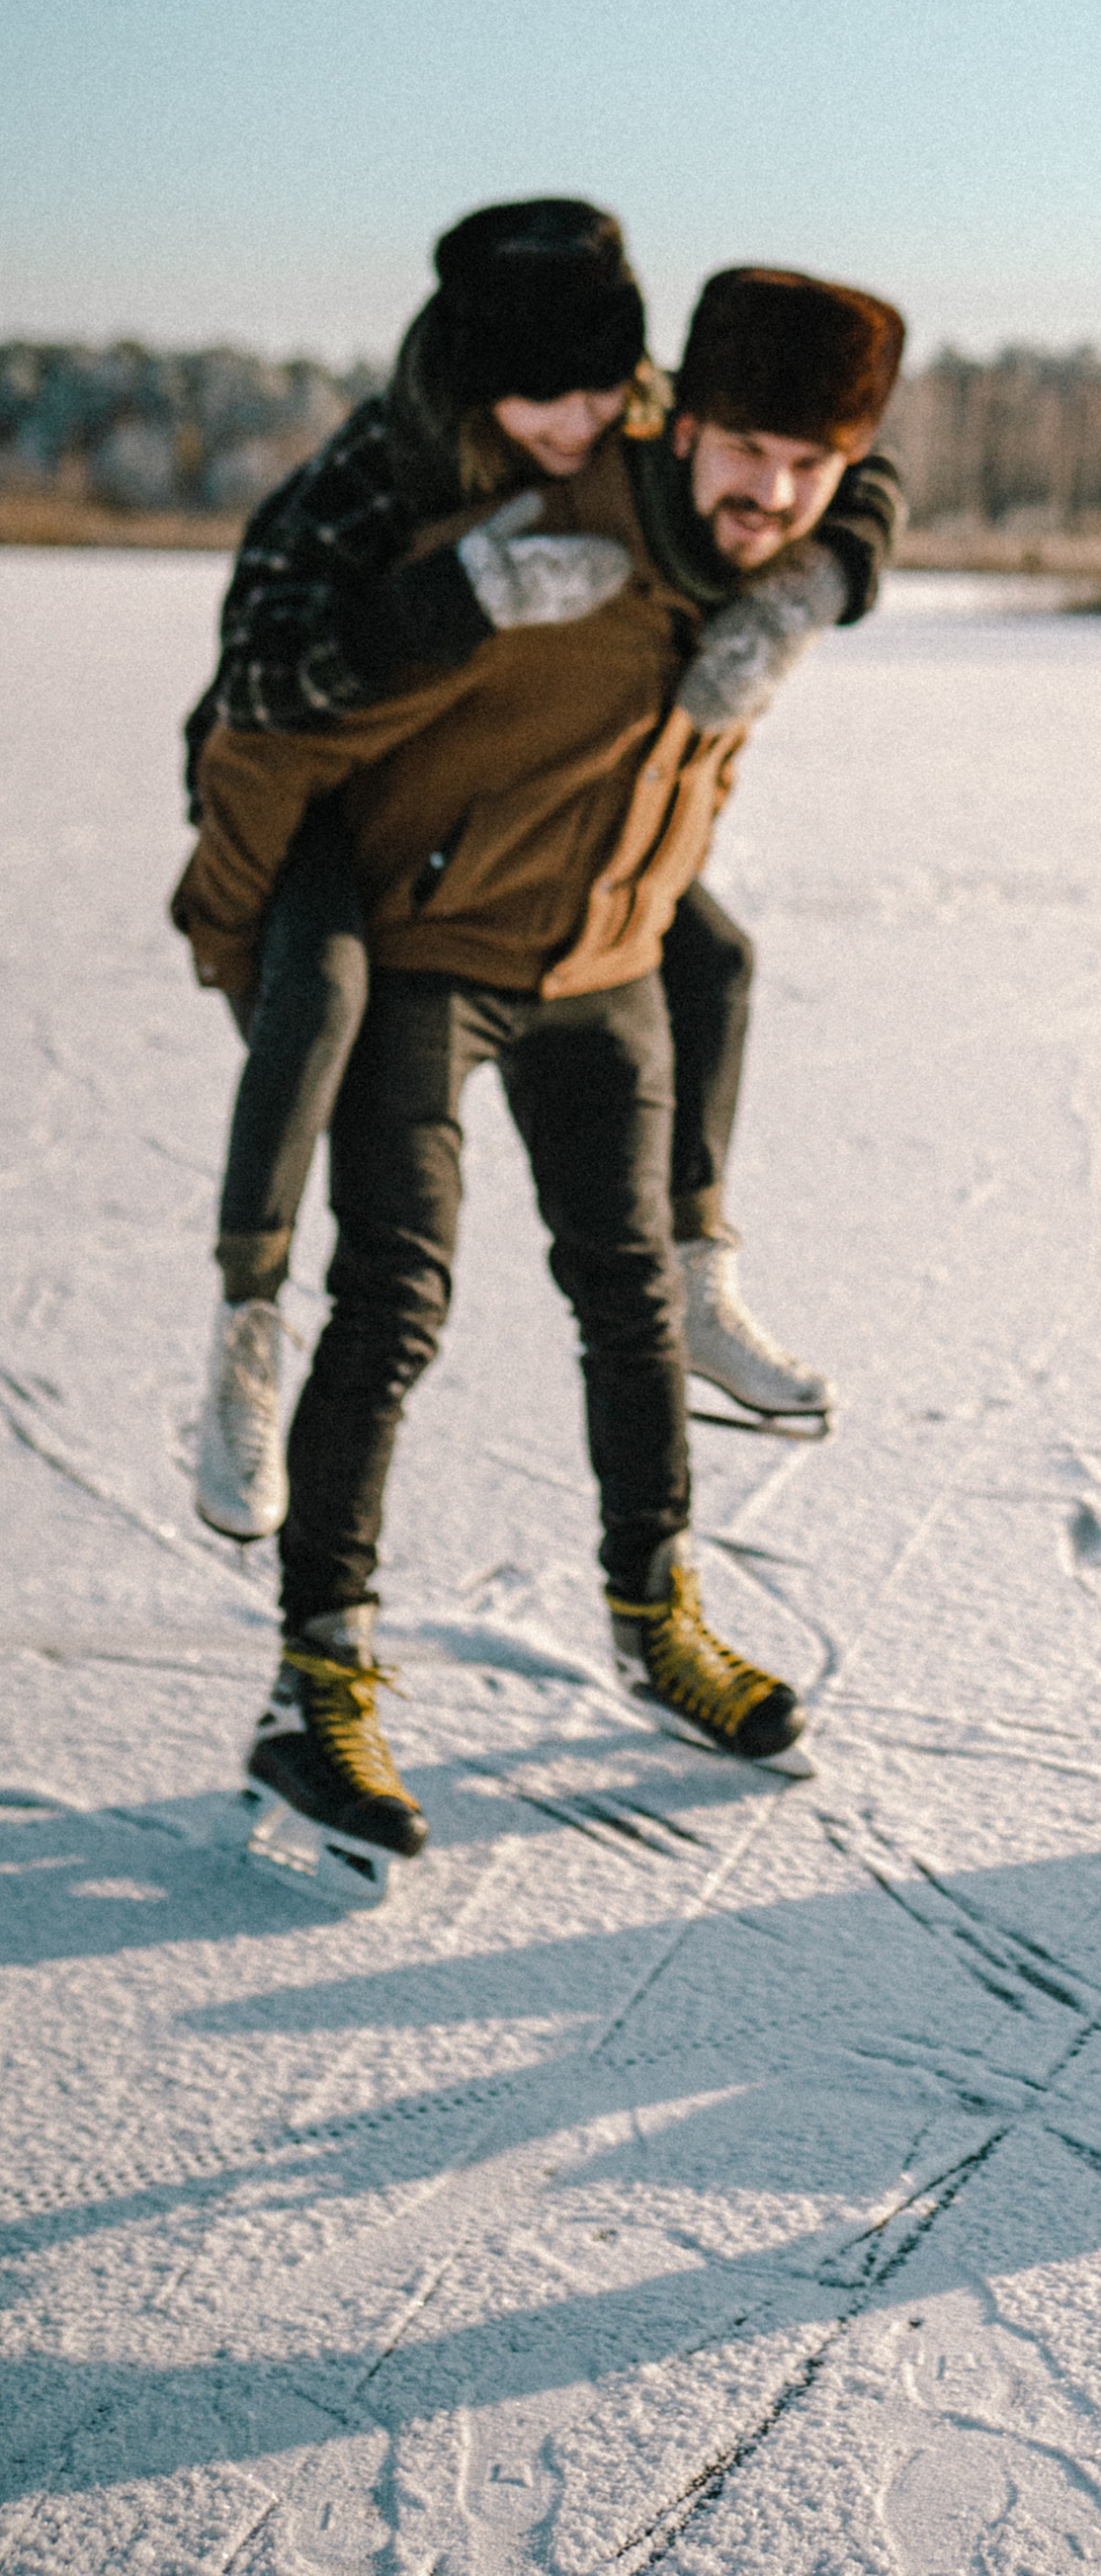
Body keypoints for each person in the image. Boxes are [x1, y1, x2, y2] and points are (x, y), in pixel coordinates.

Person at [171, 264, 906, 1898]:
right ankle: (316, 1686)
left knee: (635, 1294)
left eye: (813, 469)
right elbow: (274, 725)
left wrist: (821, 572)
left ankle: (657, 1617)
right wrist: (240, 935)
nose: (775, 495)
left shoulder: (774, 569)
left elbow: (864, 506)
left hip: (607, 966)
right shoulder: (541, 540)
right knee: (393, 1300)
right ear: (680, 421)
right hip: (426, 955)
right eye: (749, 452)